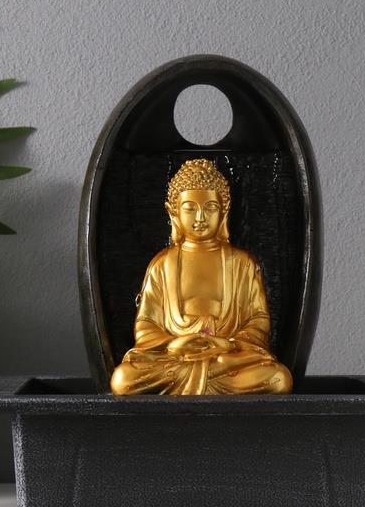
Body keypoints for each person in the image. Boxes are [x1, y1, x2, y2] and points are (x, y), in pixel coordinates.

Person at [110, 158, 292, 395]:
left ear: (224, 211)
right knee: (123, 379)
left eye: (210, 208)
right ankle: (206, 384)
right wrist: (173, 344)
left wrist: (227, 344)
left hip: (226, 360)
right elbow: (146, 324)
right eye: (190, 208)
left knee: (278, 378)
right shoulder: (162, 264)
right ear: (173, 211)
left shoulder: (242, 263)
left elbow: (258, 320)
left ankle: (198, 384)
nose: (200, 218)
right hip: (176, 360)